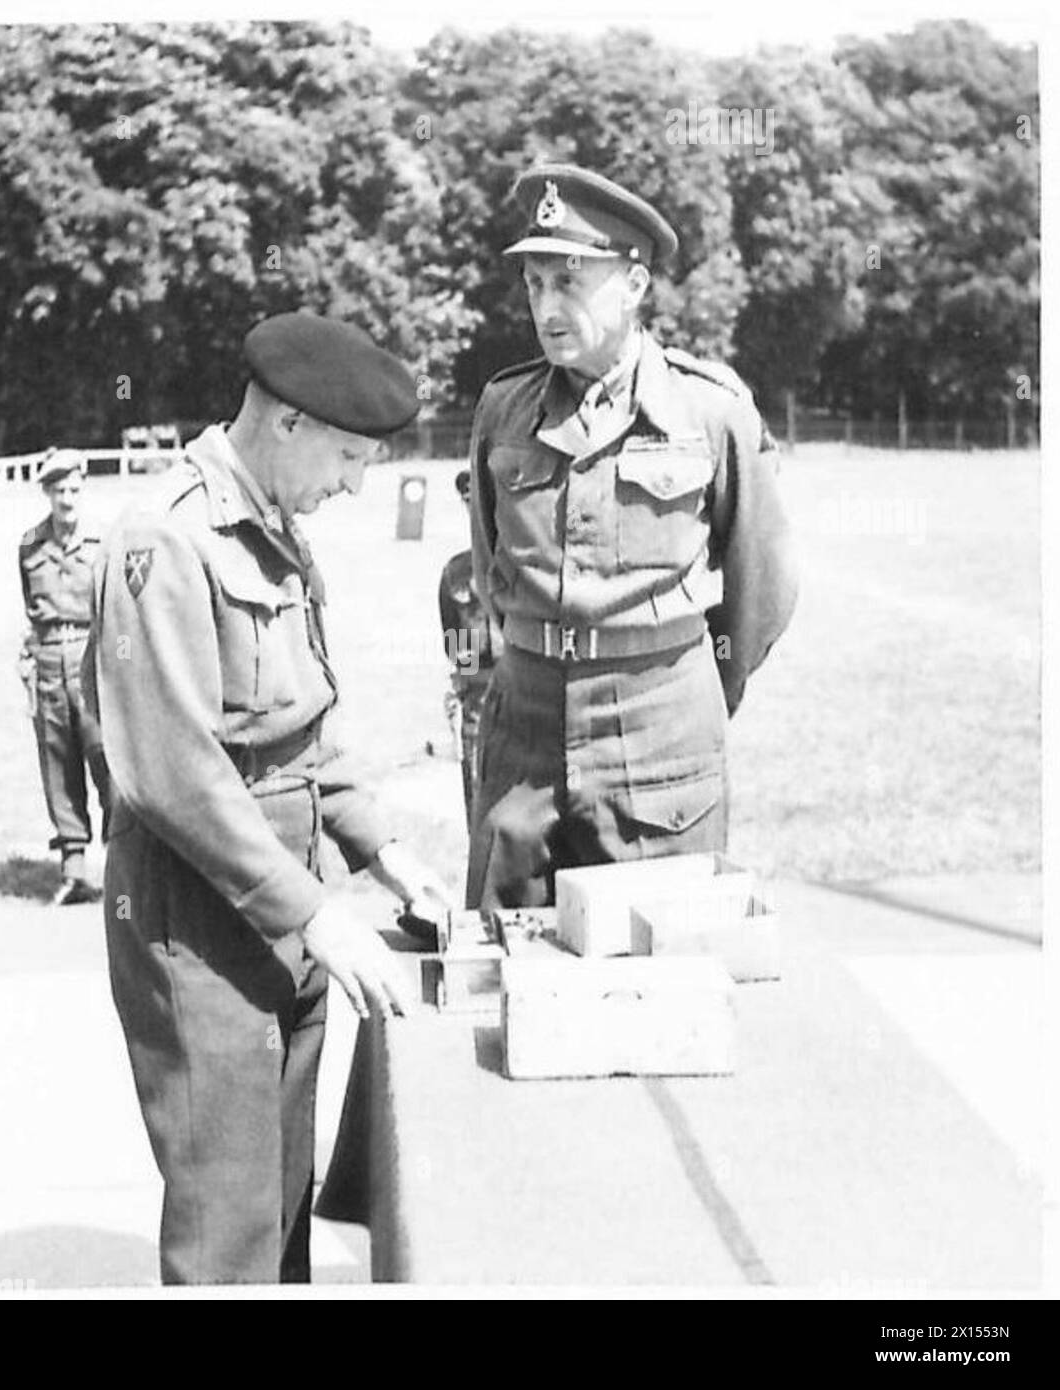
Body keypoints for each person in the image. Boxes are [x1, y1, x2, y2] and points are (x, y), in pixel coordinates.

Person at [86, 313, 453, 1285]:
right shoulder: (165, 537)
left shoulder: (270, 524)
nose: (353, 483)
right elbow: (170, 771)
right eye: (345, 455)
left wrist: (379, 849)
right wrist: (315, 912)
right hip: (203, 930)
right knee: (228, 1233)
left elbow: (299, 729)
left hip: (287, 916)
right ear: (285, 423)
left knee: (282, 1205)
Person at [466, 164, 798, 909]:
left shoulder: (709, 413)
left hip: (661, 737)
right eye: (533, 284)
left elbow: (762, 587)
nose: (545, 307)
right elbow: (491, 570)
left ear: (634, 286)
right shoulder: (502, 409)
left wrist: (698, 686)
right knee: (505, 974)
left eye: (569, 281)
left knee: (660, 973)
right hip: (523, 733)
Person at [17, 448, 111, 906]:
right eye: (58, 491)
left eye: (73, 489)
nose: (67, 499)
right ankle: (74, 869)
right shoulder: (30, 545)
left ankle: (121, 864)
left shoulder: (102, 541)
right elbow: (30, 610)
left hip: (92, 656)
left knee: (106, 757)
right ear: (47, 494)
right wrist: (29, 658)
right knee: (57, 760)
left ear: (82, 490)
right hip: (48, 657)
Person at [438, 468, 503, 822]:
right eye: (470, 503)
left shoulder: (533, 566)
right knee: (479, 819)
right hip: (478, 713)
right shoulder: (456, 574)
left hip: (531, 705)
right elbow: (459, 654)